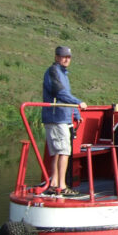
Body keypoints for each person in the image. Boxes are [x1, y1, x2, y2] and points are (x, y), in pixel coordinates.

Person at [42, 46, 87, 196]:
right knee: (63, 152)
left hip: (62, 117)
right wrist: (78, 102)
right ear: (56, 57)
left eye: (68, 57)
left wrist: (75, 112)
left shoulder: (63, 73)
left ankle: (54, 183)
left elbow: (66, 94)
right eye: (63, 56)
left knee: (58, 152)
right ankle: (61, 185)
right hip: (56, 118)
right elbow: (59, 93)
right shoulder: (53, 71)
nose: (66, 59)